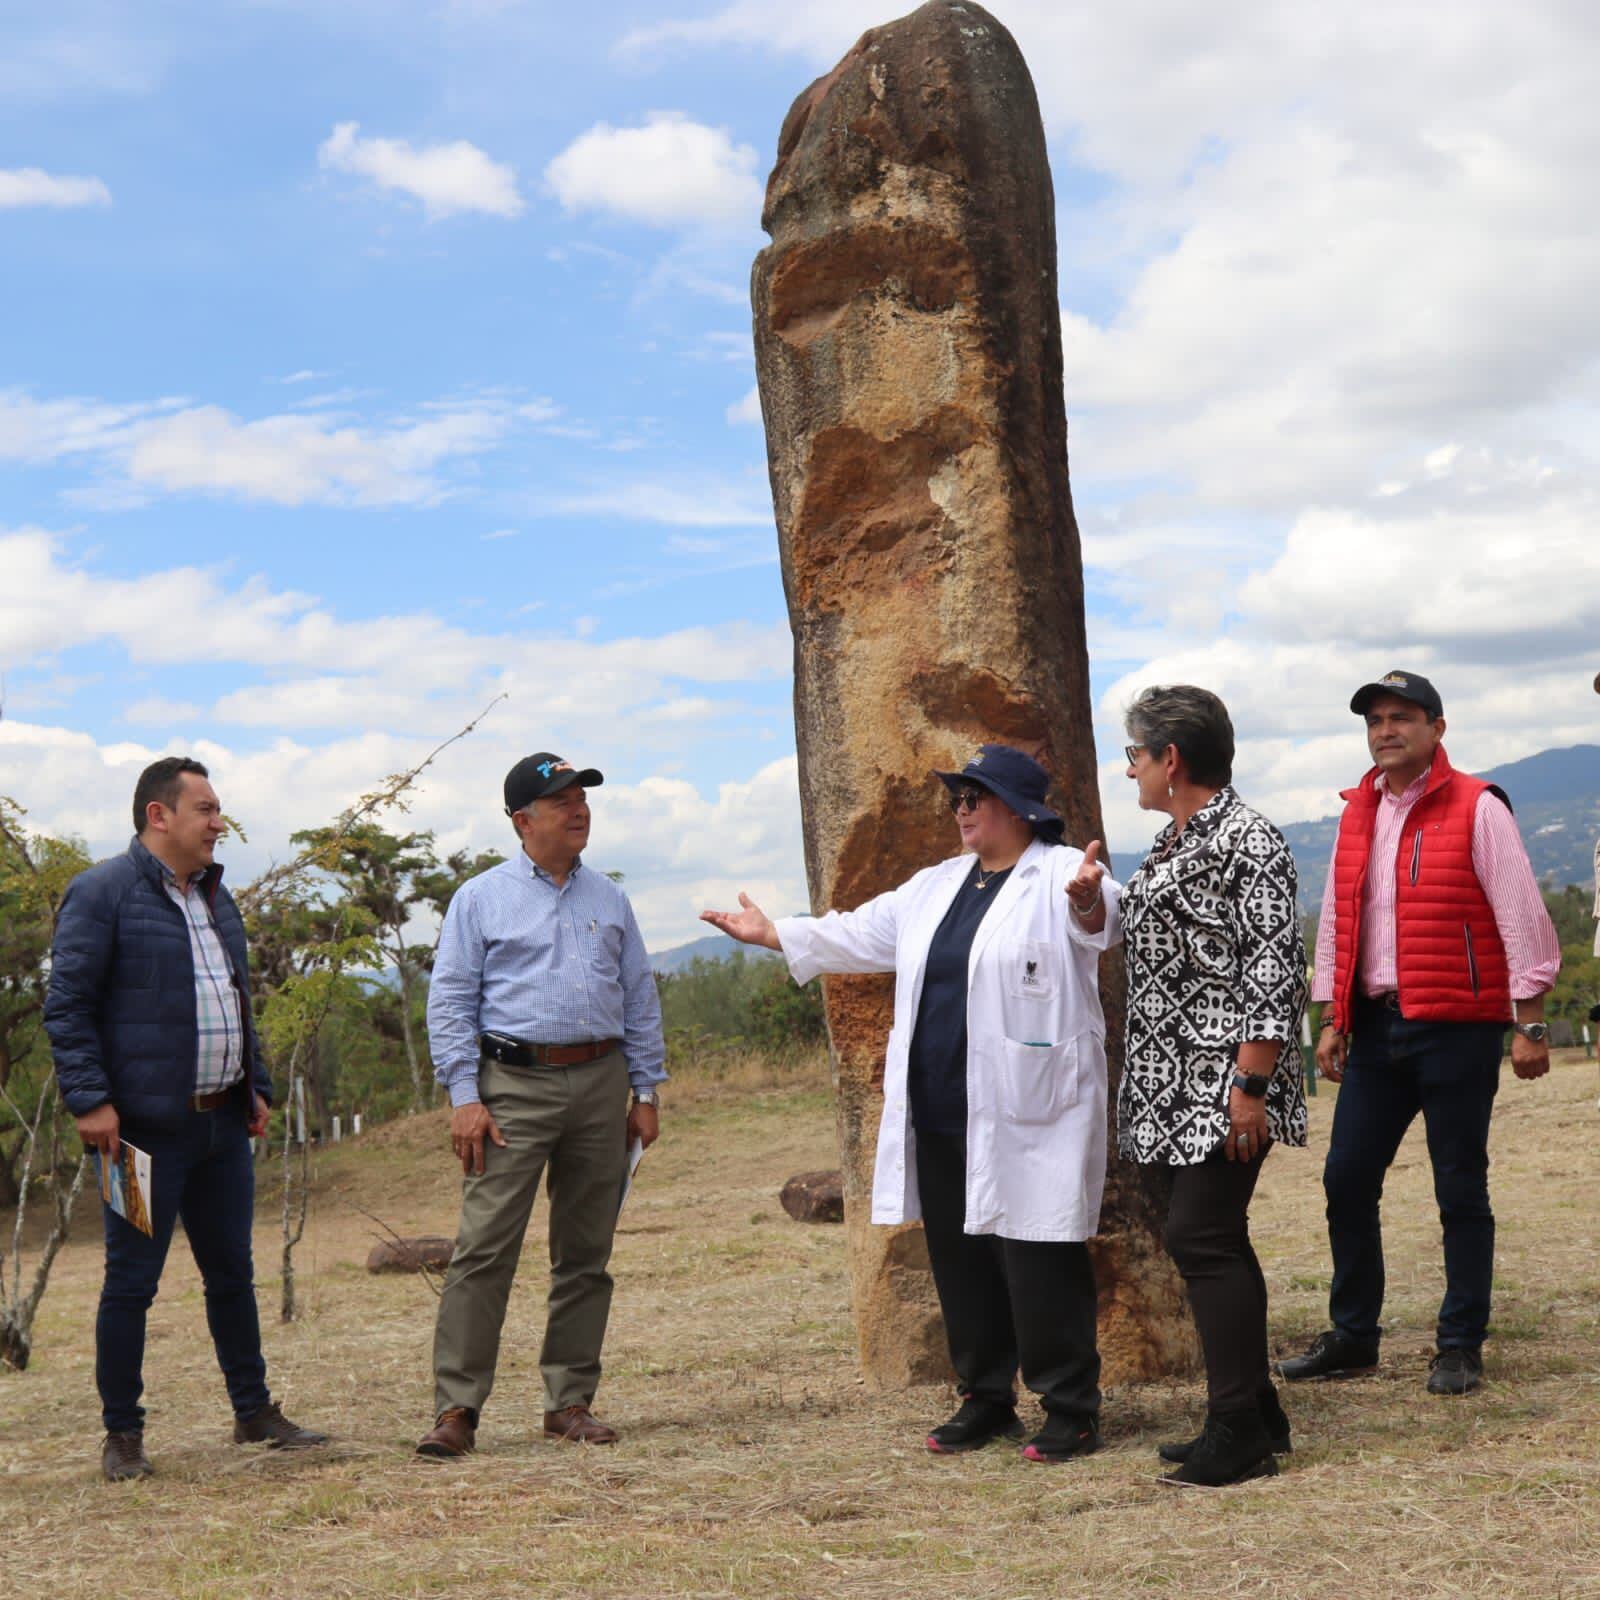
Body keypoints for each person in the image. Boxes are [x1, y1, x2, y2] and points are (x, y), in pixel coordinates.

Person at [703, 744, 1118, 1464]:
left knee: (1039, 1256)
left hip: (1030, 1107)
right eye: (956, 797)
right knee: (961, 1260)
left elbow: (1100, 920)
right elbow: (859, 932)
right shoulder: (936, 886)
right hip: (942, 1103)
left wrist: (1087, 901)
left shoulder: (1060, 875)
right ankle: (985, 1397)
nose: (960, 809)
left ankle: (1071, 1408)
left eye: (974, 796)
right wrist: (775, 934)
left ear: (1018, 808)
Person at [45, 756, 328, 1482]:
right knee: (130, 1282)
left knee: (232, 1272)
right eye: (204, 809)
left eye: (217, 808)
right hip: (134, 1135)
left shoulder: (214, 897)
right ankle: (123, 1436)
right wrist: (90, 1101)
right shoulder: (100, 893)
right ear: (157, 815)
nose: (217, 822)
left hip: (219, 1130)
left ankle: (253, 1411)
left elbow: (235, 998)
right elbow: (68, 1007)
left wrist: (254, 1086)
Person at [1282, 670, 1561, 1397]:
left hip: (1457, 1030)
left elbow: (1520, 914)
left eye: (1401, 716)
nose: (1384, 731)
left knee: (1459, 1187)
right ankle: (1353, 1338)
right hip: (1375, 1026)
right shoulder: (1355, 813)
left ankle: (1461, 1343)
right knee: (1347, 1179)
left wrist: (1528, 1019)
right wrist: (1332, 1014)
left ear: (1437, 727)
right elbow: (1340, 921)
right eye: (1374, 720)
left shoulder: (1477, 805)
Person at [416, 753, 666, 1457]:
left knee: (586, 1253)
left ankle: (570, 1403)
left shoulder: (609, 899)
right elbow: (451, 1000)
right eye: (561, 801)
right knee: (485, 1248)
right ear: (524, 821)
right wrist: (464, 1096)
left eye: (582, 797)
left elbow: (639, 996)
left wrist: (644, 1091)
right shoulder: (480, 899)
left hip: (600, 1084)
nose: (578, 809)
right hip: (511, 1088)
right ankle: (457, 1410)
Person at [1118, 686, 1307, 1488]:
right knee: (1215, 1238)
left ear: (1172, 759)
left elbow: (1272, 969)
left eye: (1133, 753)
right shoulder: (1173, 842)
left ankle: (1237, 1430)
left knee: (1202, 1239)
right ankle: (1256, 1409)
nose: (1126, 768)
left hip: (1223, 1082)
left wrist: (1251, 1086)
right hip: (1169, 1084)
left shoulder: (1248, 839)